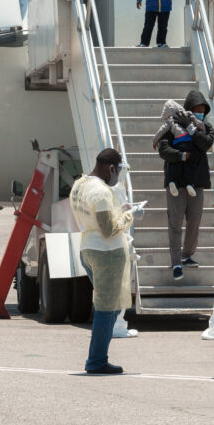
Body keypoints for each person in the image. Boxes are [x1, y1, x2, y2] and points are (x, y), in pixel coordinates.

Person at [69, 148, 135, 375]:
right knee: (106, 309)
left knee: (110, 307)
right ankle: (96, 361)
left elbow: (97, 218)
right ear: (111, 168)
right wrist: (129, 215)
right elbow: (108, 229)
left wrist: (118, 210)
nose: (118, 176)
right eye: (118, 171)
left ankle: (98, 358)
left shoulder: (80, 185)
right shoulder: (101, 191)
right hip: (106, 253)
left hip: (87, 247)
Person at [156, 90, 214, 280]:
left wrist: (190, 126)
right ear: (188, 109)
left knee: (194, 220)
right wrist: (182, 155)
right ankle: (176, 262)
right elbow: (164, 149)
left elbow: (205, 144)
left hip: (196, 182)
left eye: (202, 110)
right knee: (175, 223)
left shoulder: (205, 127)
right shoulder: (173, 125)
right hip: (176, 183)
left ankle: (187, 254)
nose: (200, 112)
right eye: (196, 109)